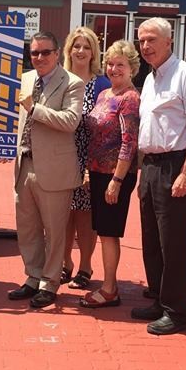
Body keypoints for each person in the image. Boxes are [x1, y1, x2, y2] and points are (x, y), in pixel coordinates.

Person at [132, 17, 186, 335]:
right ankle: (159, 299)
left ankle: (177, 311)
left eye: (151, 40)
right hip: (150, 166)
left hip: (176, 165)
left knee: (173, 242)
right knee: (151, 239)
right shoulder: (149, 79)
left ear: (169, 40)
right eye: (141, 41)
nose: (145, 46)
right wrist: (141, 174)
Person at [9, 31, 84, 309]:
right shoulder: (25, 79)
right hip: (24, 164)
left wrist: (34, 108)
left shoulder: (73, 83)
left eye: (45, 52)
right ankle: (33, 276)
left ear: (57, 53)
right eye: (34, 53)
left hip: (54, 168)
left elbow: (70, 121)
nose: (39, 58)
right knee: (27, 227)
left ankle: (50, 282)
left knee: (54, 230)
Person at [79, 40, 141, 309]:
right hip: (97, 172)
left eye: (121, 65)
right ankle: (108, 284)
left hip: (115, 175)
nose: (114, 69)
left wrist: (117, 180)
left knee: (109, 232)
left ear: (132, 68)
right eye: (111, 64)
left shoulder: (130, 98)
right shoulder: (105, 95)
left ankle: (109, 288)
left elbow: (129, 142)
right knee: (103, 229)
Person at [60, 26, 110, 290]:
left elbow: (106, 126)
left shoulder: (102, 85)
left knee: (85, 216)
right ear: (69, 50)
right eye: (76, 46)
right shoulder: (60, 80)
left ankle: (85, 265)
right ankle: (65, 263)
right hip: (61, 156)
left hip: (89, 158)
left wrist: (93, 165)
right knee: (63, 213)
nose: (81, 51)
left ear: (94, 52)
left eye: (86, 46)